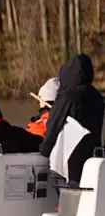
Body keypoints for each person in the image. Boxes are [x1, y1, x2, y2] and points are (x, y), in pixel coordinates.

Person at [37, 54, 103, 183]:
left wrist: (44, 151)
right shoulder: (97, 97)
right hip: (92, 158)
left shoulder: (67, 97)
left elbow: (54, 125)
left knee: (67, 199)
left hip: (67, 161)